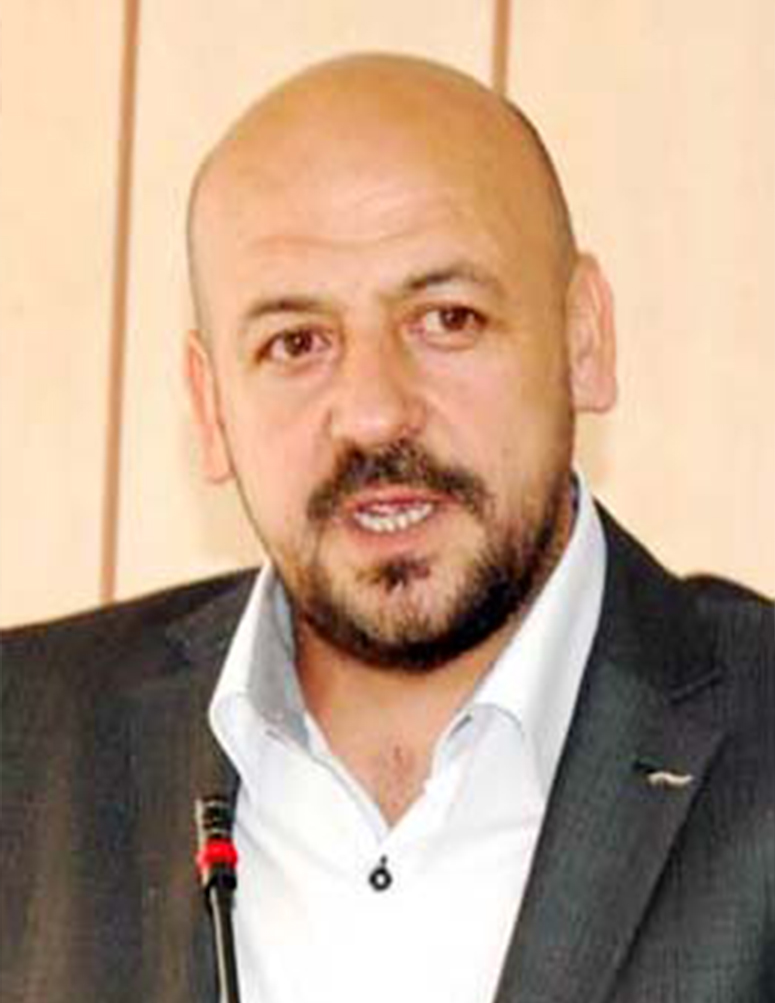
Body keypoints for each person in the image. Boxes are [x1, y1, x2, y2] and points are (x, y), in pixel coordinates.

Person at [1, 54, 772, 1003]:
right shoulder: (21, 750)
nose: (372, 413)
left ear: (583, 337)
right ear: (209, 406)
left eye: (446, 318)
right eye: (295, 343)